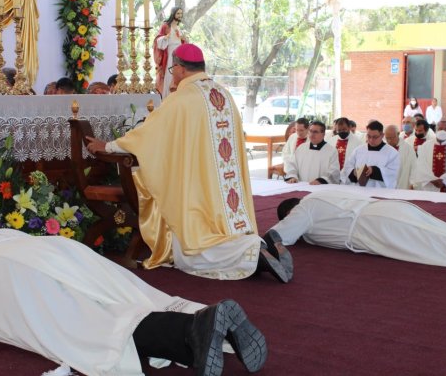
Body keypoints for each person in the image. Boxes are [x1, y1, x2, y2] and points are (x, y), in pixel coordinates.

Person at [0, 230, 267, 376]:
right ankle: (208, 320)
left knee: (86, 324)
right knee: (127, 294)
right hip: (49, 249)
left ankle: (190, 331)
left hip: (11, 274)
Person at [85, 43, 292, 283]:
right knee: (224, 230)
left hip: (199, 188)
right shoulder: (222, 94)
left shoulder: (182, 98)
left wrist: (108, 146)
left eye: (173, 69)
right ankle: (265, 245)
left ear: (181, 69)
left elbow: (149, 135)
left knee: (190, 252)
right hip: (227, 192)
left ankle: (253, 253)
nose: (172, 74)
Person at [262, 190, 446, 269]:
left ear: (291, 211)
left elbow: (276, 236)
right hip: (388, 209)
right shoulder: (322, 195)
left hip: (376, 226)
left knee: (439, 247)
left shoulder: (304, 209)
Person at [341, 120, 400, 189]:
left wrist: (374, 170)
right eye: (369, 136)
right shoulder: (358, 150)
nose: (371, 140)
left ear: (382, 135)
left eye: (375, 137)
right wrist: (354, 173)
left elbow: (392, 174)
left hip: (380, 192)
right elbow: (347, 168)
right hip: (359, 191)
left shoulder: (392, 153)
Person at [411, 120, 446, 193]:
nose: (443, 131)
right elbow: (421, 164)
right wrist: (432, 179)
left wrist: (444, 181)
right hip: (429, 186)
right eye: (440, 129)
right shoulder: (426, 146)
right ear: (436, 130)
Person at [283, 120, 340, 185]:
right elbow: (292, 164)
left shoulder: (331, 151)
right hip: (302, 186)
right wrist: (292, 176)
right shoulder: (301, 148)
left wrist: (321, 180)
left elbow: (334, 170)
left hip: (321, 187)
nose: (312, 134)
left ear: (323, 134)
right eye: (310, 131)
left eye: (315, 132)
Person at [154, 7, 187, 99]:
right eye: (178, 14)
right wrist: (165, 37)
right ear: (173, 14)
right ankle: (167, 99)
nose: (180, 16)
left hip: (179, 54)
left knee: (179, 74)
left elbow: (182, 42)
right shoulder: (165, 26)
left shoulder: (179, 28)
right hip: (170, 53)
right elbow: (157, 40)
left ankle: (177, 98)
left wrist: (184, 40)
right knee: (170, 74)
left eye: (181, 14)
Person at [384, 124, 416, 190]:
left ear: (398, 134)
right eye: (387, 138)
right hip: (386, 185)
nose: (389, 141)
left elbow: (414, 167)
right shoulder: (383, 148)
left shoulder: (408, 149)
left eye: (391, 138)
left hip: (402, 183)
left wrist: (413, 183)